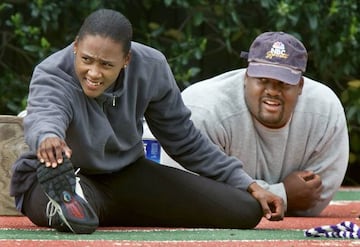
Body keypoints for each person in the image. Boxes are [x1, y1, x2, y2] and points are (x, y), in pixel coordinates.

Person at [9, 9, 284, 234]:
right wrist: (48, 137)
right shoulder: (52, 73)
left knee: (245, 210)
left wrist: (248, 184)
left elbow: (185, 140)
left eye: (106, 65)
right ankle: (71, 197)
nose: (93, 72)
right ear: (75, 47)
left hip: (128, 176)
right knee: (70, 208)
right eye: (86, 60)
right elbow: (46, 113)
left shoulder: (151, 67)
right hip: (63, 173)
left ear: (126, 60)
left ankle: (93, 210)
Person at [163, 31, 349, 217]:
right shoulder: (203, 108)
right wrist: (283, 195)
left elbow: (313, 200)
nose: (273, 91)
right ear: (246, 77)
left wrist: (243, 197)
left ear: (300, 86)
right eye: (263, 80)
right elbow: (189, 193)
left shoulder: (326, 111)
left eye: (284, 83)